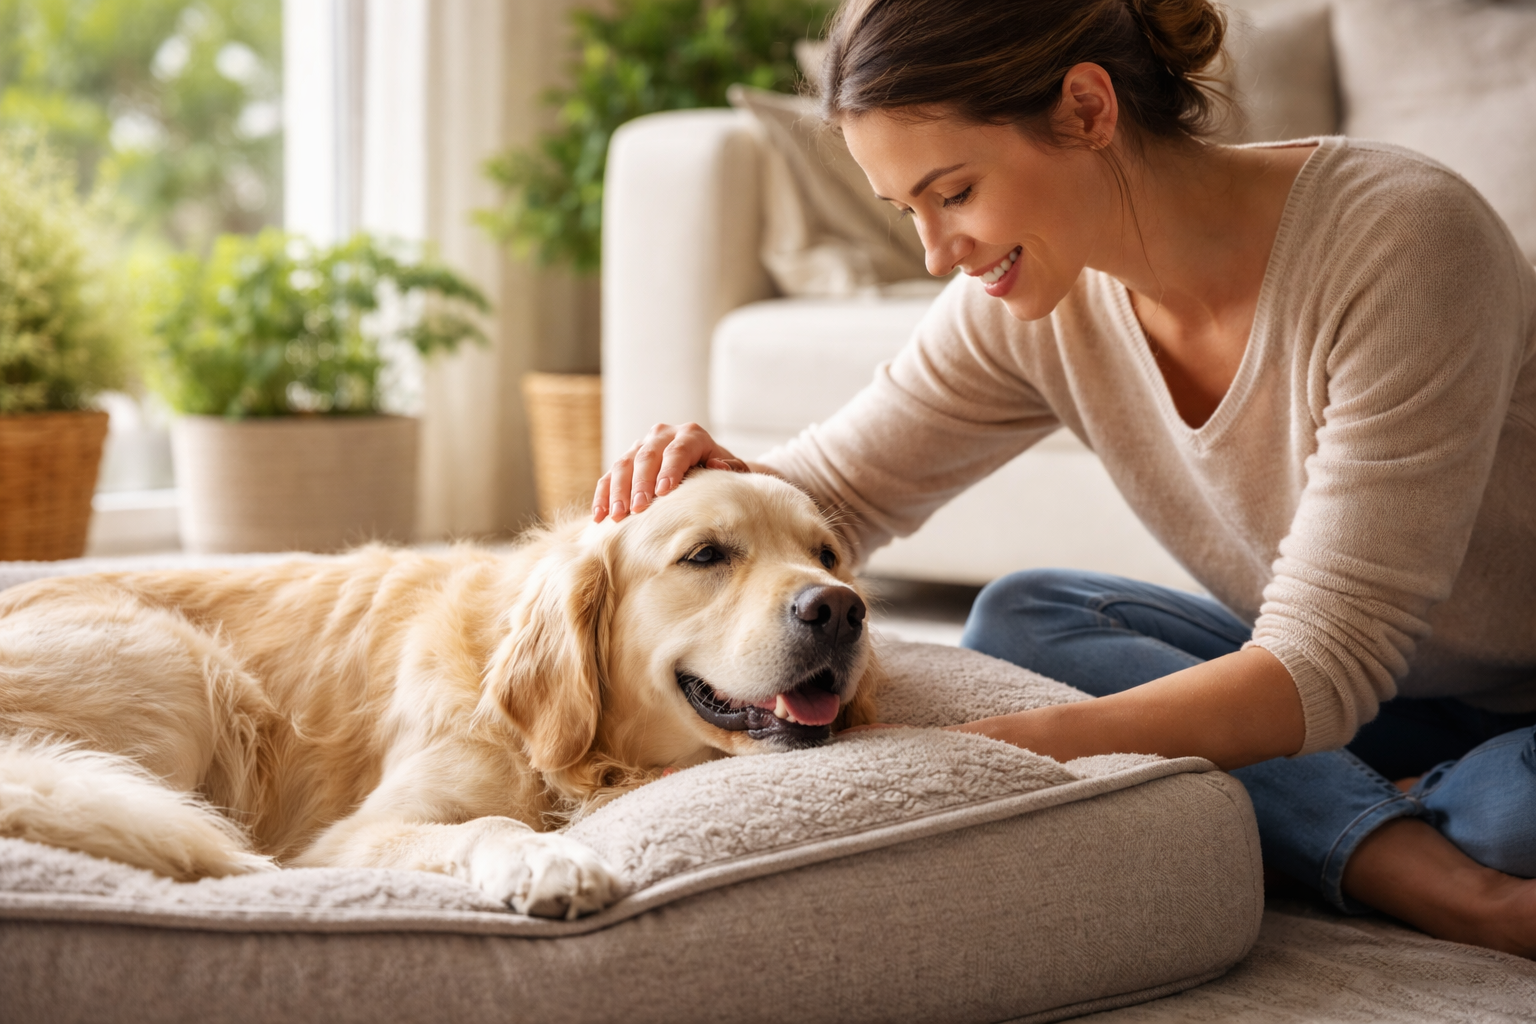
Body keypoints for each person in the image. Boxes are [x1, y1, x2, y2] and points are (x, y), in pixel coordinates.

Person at [593, 0, 1536, 957]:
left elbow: (1325, 661)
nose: (935, 253)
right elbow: (838, 494)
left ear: (1087, 108)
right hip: (1369, 704)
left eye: (954, 193)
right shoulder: (1024, 301)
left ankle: (1364, 828)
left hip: (1494, 690)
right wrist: (715, 487)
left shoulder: (1403, 240)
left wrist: (990, 757)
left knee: (1517, 819)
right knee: (1028, 617)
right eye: (908, 212)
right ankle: (1402, 841)